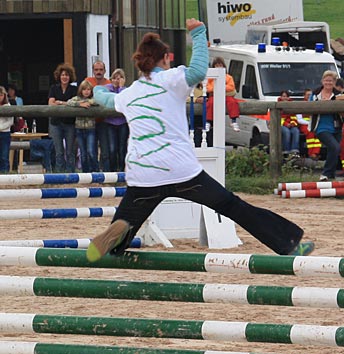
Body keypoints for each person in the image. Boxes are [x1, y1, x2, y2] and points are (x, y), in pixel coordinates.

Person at [86, 18, 314, 263]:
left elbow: (105, 100)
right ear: (164, 59)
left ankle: (120, 233)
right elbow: (197, 71)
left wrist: (102, 87)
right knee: (232, 206)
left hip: (143, 174)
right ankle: (288, 244)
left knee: (120, 236)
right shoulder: (172, 79)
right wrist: (198, 33)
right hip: (182, 172)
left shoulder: (130, 93)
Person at [309, 70, 342, 181]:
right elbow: (307, 107)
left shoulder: (338, 95)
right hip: (321, 127)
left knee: (335, 150)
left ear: (334, 82)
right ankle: (326, 173)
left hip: (336, 127)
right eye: (326, 80)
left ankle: (331, 176)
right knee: (334, 147)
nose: (328, 83)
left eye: (331, 81)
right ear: (322, 81)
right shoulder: (315, 94)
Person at [48, 63, 78, 173]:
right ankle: (59, 173)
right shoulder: (53, 88)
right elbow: (51, 103)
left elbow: (74, 103)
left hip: (70, 123)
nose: (64, 77)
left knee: (70, 150)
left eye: (67, 75)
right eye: (62, 75)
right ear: (59, 76)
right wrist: (66, 103)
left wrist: (59, 102)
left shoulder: (74, 89)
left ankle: (70, 173)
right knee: (59, 151)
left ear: (70, 77)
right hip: (56, 123)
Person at [67, 80, 100, 173]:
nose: (86, 91)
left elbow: (97, 101)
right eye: (84, 89)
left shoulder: (94, 99)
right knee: (83, 153)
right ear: (81, 90)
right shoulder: (77, 99)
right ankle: (86, 173)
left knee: (91, 152)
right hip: (79, 129)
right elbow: (69, 102)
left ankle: (95, 170)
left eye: (88, 89)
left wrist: (88, 102)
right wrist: (79, 104)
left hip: (90, 129)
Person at [85, 61, 111, 171]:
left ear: (105, 71)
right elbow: (81, 96)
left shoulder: (109, 84)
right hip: (90, 121)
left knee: (105, 150)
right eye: (96, 70)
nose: (98, 72)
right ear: (93, 71)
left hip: (105, 121)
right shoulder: (88, 82)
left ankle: (106, 173)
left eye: (101, 70)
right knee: (91, 150)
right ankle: (93, 173)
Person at [205, 56, 240, 132]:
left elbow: (231, 87)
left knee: (233, 102)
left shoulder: (228, 77)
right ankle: (208, 121)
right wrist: (218, 87)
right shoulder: (210, 78)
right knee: (210, 103)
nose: (219, 67)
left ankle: (234, 121)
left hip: (226, 96)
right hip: (214, 96)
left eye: (220, 65)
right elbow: (208, 88)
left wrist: (219, 87)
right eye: (216, 66)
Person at [104, 68, 129, 171]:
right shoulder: (106, 89)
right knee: (112, 148)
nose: (116, 81)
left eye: (119, 78)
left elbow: (123, 100)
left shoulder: (126, 90)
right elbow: (113, 100)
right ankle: (113, 172)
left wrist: (121, 88)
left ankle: (122, 171)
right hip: (110, 123)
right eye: (114, 78)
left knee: (122, 148)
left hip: (122, 123)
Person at [277, 91, 300, 156]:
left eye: (286, 96)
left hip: (290, 125)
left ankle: (294, 150)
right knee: (287, 132)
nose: (285, 98)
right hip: (280, 125)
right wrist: (286, 124)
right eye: (283, 96)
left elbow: (294, 117)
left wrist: (292, 123)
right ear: (280, 97)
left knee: (296, 131)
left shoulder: (291, 106)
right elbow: (278, 119)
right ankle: (285, 151)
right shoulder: (277, 105)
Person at [0, 86, 14, 173]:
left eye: (1, 95)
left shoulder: (8, 106)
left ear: (4, 96)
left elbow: (10, 121)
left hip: (5, 133)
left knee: (4, 156)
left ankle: (5, 173)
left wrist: (0, 128)